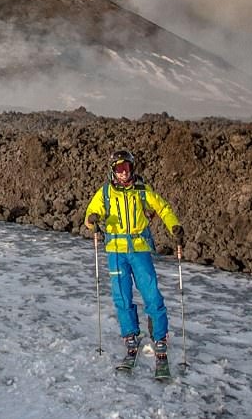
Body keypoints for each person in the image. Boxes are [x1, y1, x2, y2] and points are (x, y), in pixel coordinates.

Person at [84, 150, 185, 369]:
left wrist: (174, 226)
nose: (123, 173)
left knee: (151, 294)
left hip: (139, 249)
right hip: (116, 251)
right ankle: (130, 335)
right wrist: (92, 220)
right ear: (113, 170)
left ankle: (159, 337)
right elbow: (90, 215)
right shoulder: (105, 193)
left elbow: (163, 208)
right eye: (119, 169)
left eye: (127, 168)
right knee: (121, 296)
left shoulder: (141, 191)